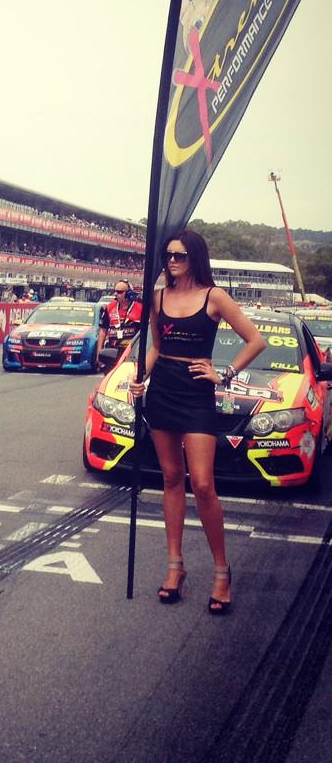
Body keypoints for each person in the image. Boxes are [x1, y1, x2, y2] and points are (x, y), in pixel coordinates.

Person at [129, 229, 264, 614]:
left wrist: (224, 374)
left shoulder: (214, 296)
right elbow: (156, 345)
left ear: (195, 257)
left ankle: (222, 572)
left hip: (197, 394)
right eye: (168, 255)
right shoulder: (156, 298)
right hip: (163, 393)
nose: (172, 261)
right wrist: (140, 378)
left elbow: (255, 340)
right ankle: (175, 567)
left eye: (180, 255)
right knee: (171, 478)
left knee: (203, 483)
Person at [95, 279, 143, 369]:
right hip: (112, 352)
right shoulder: (110, 307)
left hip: (131, 352)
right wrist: (99, 353)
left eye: (119, 292)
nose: (115, 294)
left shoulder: (140, 308)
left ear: (129, 293)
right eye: (115, 291)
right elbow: (103, 330)